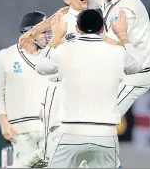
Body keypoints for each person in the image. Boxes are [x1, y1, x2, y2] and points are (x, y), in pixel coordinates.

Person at [18, 0, 150, 117]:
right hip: (83, 82)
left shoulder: (125, 10)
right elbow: (66, 12)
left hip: (135, 74)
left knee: (103, 116)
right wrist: (34, 30)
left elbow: (116, 49)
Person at [36, 9, 142, 168]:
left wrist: (57, 38)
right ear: (102, 29)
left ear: (77, 28)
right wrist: (122, 35)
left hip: (71, 133)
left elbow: (41, 67)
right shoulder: (117, 52)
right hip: (105, 134)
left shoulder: (65, 49)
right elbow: (137, 65)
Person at [0, 11, 50, 167]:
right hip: (20, 128)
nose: (47, 36)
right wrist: (3, 122)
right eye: (44, 31)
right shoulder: (6, 56)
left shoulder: (52, 55)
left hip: (48, 127)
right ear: (30, 32)